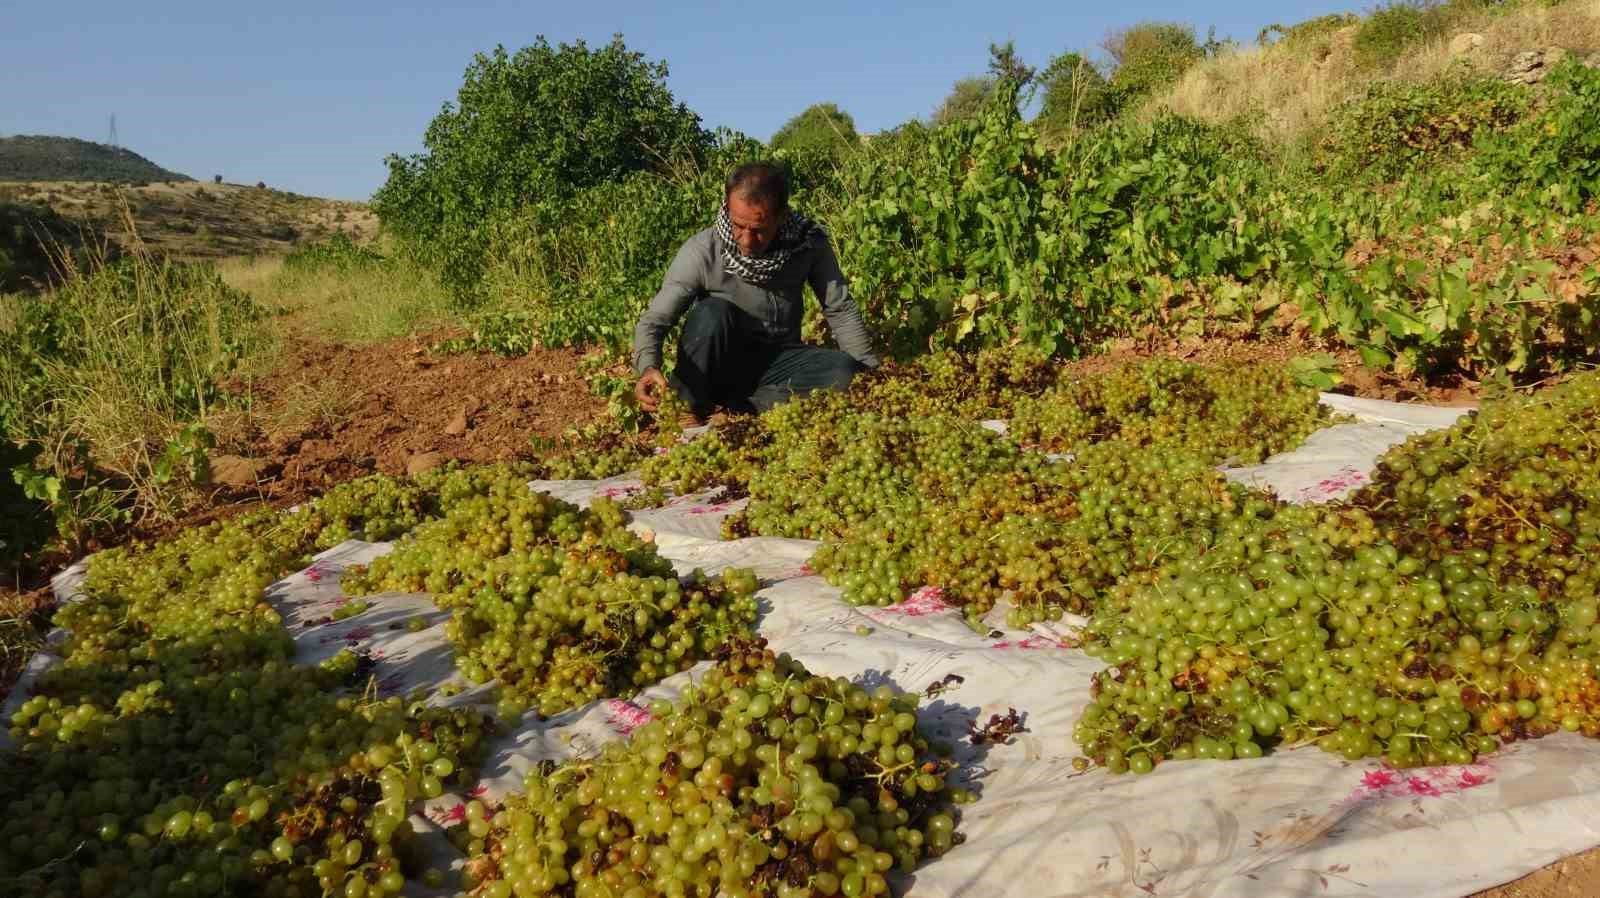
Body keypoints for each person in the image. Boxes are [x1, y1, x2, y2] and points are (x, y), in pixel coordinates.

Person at [631, 161, 880, 425]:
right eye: (738, 225)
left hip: (778, 363)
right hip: (718, 368)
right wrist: (648, 366)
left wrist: (869, 373)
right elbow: (655, 321)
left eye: (759, 230)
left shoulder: (808, 243)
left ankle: (740, 411)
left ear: (782, 216)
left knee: (845, 371)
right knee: (712, 312)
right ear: (727, 209)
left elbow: (839, 308)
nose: (747, 241)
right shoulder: (703, 251)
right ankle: (688, 409)